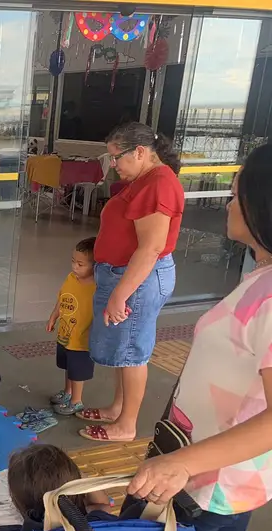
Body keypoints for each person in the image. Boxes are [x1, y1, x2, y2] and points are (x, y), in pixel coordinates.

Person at [126, 144, 272, 531]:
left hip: (207, 479)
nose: (228, 205)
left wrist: (182, 465)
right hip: (230, 475)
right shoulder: (260, 277)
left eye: (236, 196)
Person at [79, 122, 183, 443]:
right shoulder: (145, 179)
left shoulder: (159, 184)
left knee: (133, 352)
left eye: (117, 158)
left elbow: (150, 248)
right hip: (125, 276)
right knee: (124, 350)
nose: (114, 166)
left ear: (140, 152)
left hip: (137, 279)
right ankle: (118, 408)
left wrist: (120, 295)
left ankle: (127, 425)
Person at [46, 237, 97, 416]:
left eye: (80, 264)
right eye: (73, 262)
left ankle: (77, 400)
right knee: (68, 366)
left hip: (82, 339)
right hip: (66, 333)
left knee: (77, 370)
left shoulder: (96, 287)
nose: (75, 267)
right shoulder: (71, 279)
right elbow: (62, 298)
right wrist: (54, 316)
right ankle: (68, 393)